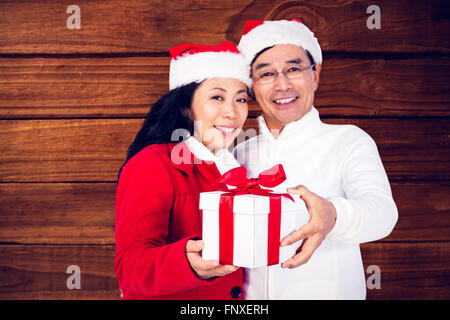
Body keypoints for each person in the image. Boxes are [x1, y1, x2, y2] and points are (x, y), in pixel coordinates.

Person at [233, 19, 398, 299]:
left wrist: (332, 215)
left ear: (316, 75)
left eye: (294, 69)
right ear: (251, 86)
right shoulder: (240, 152)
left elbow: (383, 214)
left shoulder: (349, 140)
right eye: (266, 74)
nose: (282, 84)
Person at [114, 41, 252, 299]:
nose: (232, 112)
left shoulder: (237, 171)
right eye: (217, 97)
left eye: (241, 99)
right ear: (186, 106)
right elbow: (130, 269)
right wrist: (187, 263)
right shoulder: (152, 164)